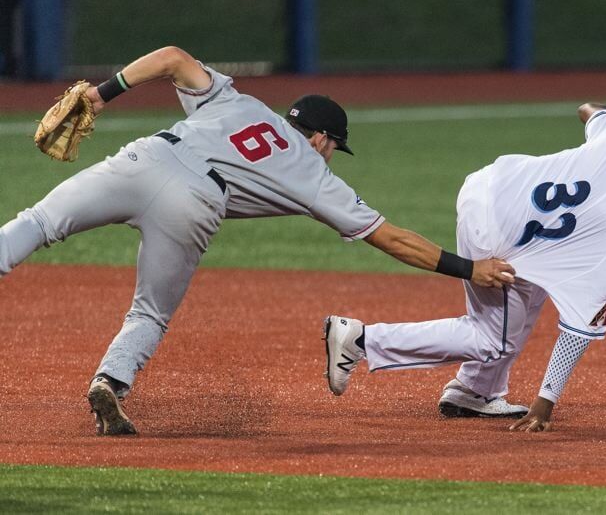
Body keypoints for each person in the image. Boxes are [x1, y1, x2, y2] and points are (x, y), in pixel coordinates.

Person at [0, 46, 515, 435]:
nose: (331, 154)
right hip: (196, 206)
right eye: (335, 146)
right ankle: (109, 383)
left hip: (146, 160)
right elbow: (393, 239)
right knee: (149, 312)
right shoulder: (313, 172)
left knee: (40, 222)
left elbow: (173, 57)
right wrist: (471, 269)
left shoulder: (235, 99)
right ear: (321, 138)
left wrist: (99, 93)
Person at [322, 103, 606, 431]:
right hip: (497, 232)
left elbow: (589, 108)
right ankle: (361, 340)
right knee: (492, 338)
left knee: (539, 278)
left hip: (495, 185)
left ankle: (474, 391)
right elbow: (575, 332)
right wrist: (545, 406)